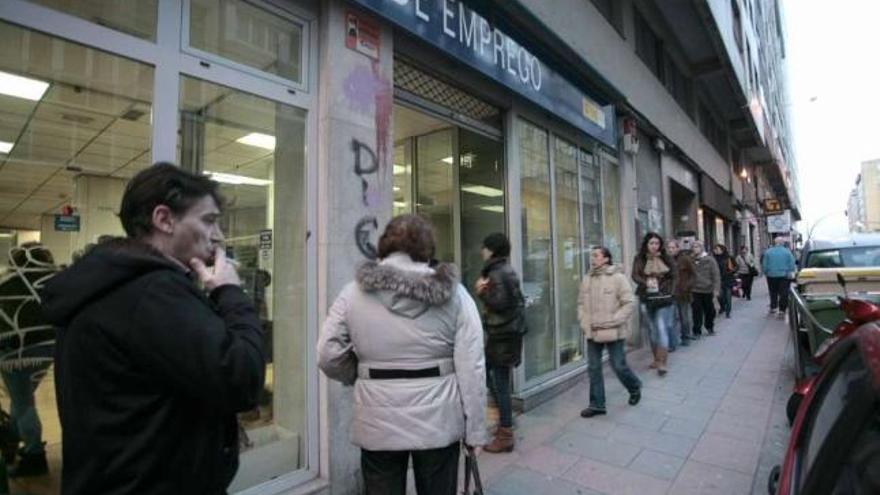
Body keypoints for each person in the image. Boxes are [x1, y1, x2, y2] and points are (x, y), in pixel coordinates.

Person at [42, 163, 266, 495]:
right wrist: (229, 292)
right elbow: (241, 379)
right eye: (208, 220)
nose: (218, 236)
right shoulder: (153, 293)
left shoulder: (114, 285)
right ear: (163, 219)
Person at [318, 214, 486, 495]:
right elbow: (472, 367)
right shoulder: (456, 295)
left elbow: (327, 354)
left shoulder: (352, 294)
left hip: (377, 419)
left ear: (384, 246)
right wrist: (476, 430)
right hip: (438, 421)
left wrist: (360, 374)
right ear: (427, 248)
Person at [0, 242, 59, 476]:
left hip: (13, 353)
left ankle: (34, 454)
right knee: (22, 398)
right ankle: (11, 440)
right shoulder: (54, 284)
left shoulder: (9, 286)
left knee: (23, 402)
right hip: (47, 349)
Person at [474, 233, 524, 453]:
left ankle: (505, 434)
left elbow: (501, 303)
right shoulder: (506, 269)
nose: (481, 251)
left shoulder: (496, 272)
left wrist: (482, 292)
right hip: (505, 334)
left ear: (492, 250)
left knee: (501, 383)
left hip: (502, 335)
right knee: (489, 375)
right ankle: (505, 420)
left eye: (484, 247)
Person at [578, 246, 641, 418]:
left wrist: (615, 320)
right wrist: (584, 322)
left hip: (614, 331)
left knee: (618, 365)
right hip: (593, 331)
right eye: (592, 255)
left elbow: (629, 302)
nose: (592, 258)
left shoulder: (618, 278)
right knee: (594, 368)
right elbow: (581, 304)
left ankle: (634, 387)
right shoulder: (587, 279)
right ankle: (597, 405)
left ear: (606, 258)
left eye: (596, 255)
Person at [631, 233, 676, 376]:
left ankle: (663, 362)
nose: (654, 246)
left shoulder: (666, 258)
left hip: (664, 297)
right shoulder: (639, 258)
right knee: (651, 329)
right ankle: (656, 358)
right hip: (647, 296)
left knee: (661, 327)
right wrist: (647, 283)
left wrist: (669, 290)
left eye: (657, 243)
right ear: (646, 244)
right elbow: (635, 275)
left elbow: (675, 275)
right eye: (651, 243)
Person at [666, 240, 695, 348]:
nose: (670, 250)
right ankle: (673, 342)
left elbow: (693, 275)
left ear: (678, 248)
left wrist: (687, 286)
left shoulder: (685, 259)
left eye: (673, 248)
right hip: (670, 293)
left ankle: (685, 337)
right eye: (669, 248)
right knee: (671, 318)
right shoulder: (666, 260)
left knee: (684, 317)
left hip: (683, 293)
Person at [762, 236, 797, 318]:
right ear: (783, 243)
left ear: (775, 243)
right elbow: (792, 264)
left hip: (771, 275)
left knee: (773, 291)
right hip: (784, 275)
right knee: (783, 293)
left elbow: (764, 264)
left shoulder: (768, 252)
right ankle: (782, 310)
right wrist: (790, 272)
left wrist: (766, 272)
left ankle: (773, 307)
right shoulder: (787, 252)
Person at [691, 241, 720, 336]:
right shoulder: (691, 259)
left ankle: (709, 327)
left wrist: (716, 289)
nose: (695, 249)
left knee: (709, 310)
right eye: (694, 247)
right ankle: (697, 330)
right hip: (695, 289)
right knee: (696, 311)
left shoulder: (710, 260)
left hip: (707, 289)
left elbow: (716, 274)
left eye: (697, 247)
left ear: (701, 248)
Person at [713, 244, 737, 318]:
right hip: (718, 280)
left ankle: (728, 311)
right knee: (720, 296)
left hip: (728, 279)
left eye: (717, 249)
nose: (715, 250)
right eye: (715, 249)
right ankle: (722, 307)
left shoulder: (729, 258)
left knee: (728, 296)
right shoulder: (713, 259)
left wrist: (731, 272)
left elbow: (736, 266)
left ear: (722, 250)